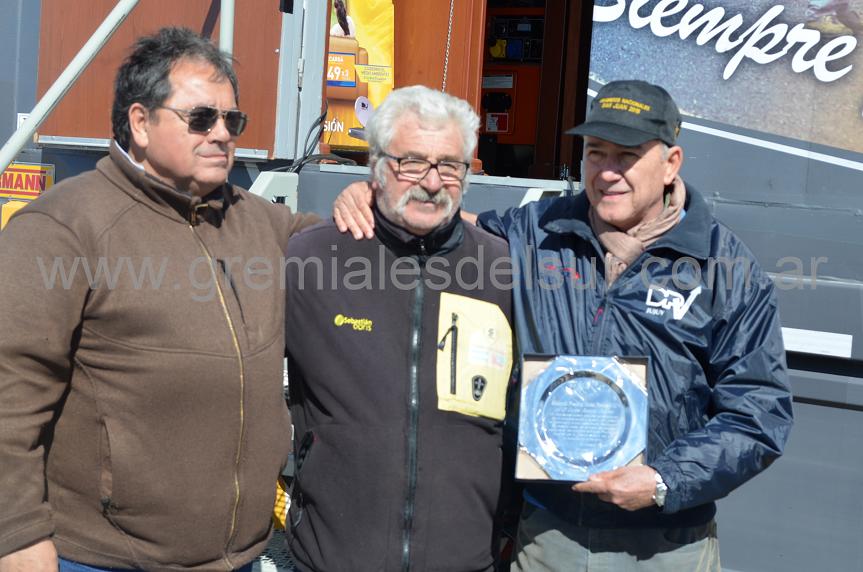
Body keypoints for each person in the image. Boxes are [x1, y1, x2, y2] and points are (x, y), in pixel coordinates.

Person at [333, 79, 794, 571]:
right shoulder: (537, 231)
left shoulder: (724, 268)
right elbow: (444, 222)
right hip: (550, 537)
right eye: (596, 153)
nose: (608, 172)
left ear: (671, 163)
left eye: (627, 155)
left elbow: (759, 412)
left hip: (667, 543)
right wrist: (374, 193)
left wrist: (664, 481)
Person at [0, 27, 318, 572]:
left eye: (233, 121)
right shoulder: (63, 227)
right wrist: (16, 534)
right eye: (202, 118)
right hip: (103, 558)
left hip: (238, 557)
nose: (222, 134)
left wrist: (378, 201)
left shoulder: (259, 222)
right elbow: (11, 388)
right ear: (141, 123)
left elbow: (345, 244)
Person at [286, 85, 514, 571]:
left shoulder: (503, 270)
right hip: (334, 558)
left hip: (466, 559)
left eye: (449, 165)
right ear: (376, 166)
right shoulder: (312, 259)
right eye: (410, 162)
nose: (431, 182)